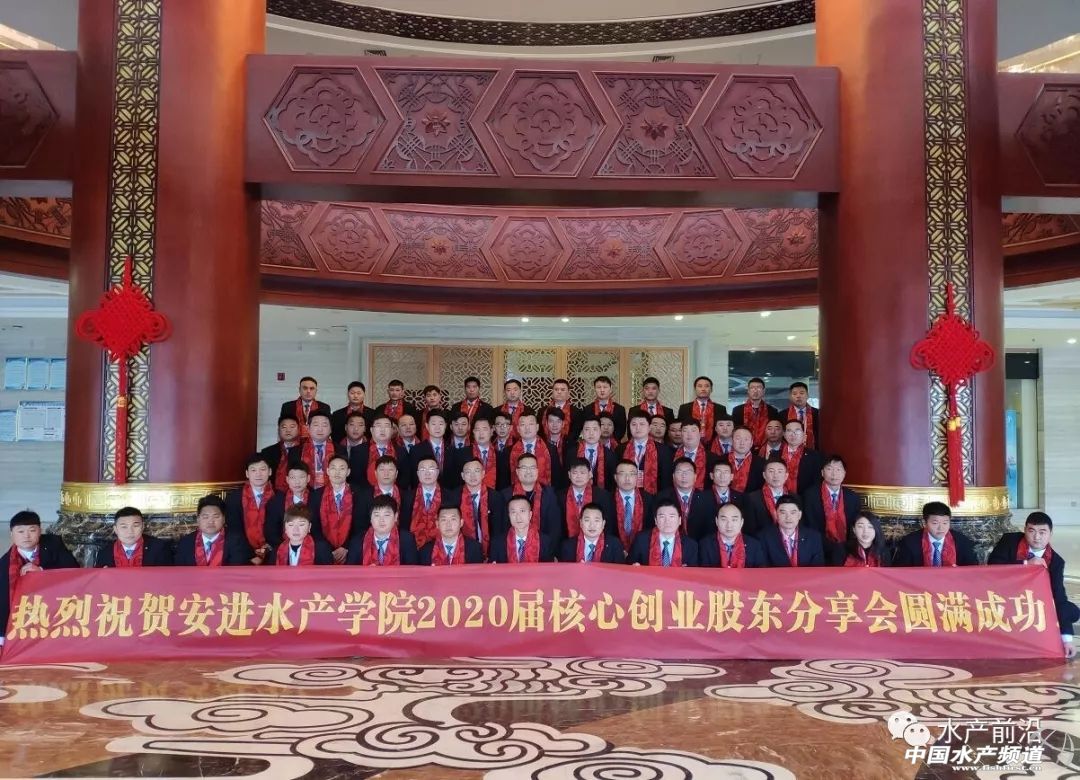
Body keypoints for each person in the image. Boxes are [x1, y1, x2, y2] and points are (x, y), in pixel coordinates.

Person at [988, 512, 1078, 658]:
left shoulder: (1056, 562)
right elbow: (992, 566)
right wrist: (1025, 564)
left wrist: (1067, 640)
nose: (1037, 537)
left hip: (1034, 604)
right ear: (1025, 530)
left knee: (1069, 609)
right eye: (1032, 531)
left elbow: (1059, 597)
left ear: (1050, 534)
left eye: (1042, 532)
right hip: (1004, 598)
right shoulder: (1010, 541)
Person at [1, 510, 79, 643]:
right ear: (12, 534)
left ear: (40, 531)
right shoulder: (5, 564)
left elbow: (73, 570)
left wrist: (42, 571)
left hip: (54, 604)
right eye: (20, 531)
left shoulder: (54, 544)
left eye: (32, 530)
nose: (26, 536)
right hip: (25, 610)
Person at [801, 455, 861, 558]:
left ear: (844, 473)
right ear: (822, 473)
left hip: (846, 549)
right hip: (818, 548)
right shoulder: (810, 495)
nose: (834, 474)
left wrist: (845, 548)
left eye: (838, 469)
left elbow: (855, 527)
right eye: (829, 469)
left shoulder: (853, 497)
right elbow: (809, 525)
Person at [225, 453, 277, 565]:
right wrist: (251, 555)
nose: (258, 474)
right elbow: (234, 531)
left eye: (263, 469)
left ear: (270, 471)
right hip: (242, 553)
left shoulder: (279, 497)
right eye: (253, 470)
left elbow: (282, 529)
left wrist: (266, 550)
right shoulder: (234, 498)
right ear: (247, 474)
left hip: (273, 552)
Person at [314, 455, 367, 564]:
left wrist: (346, 547)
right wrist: (329, 549)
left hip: (351, 547)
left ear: (348, 472)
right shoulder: (316, 495)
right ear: (328, 471)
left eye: (342, 468)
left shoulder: (360, 494)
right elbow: (314, 526)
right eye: (333, 468)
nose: (337, 472)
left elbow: (361, 525)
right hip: (325, 549)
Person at [497, 453, 562, 541]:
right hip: (513, 544)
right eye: (524, 468)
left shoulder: (550, 494)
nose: (528, 471)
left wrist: (547, 547)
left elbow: (555, 527)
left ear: (537, 470)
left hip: (543, 545)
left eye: (532, 468)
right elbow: (502, 526)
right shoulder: (505, 495)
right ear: (517, 471)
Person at [893, 501, 979, 567]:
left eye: (945, 523)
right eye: (935, 523)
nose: (941, 528)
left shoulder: (963, 542)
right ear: (924, 523)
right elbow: (901, 572)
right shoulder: (909, 543)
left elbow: (972, 570)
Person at [174, 495, 253, 566]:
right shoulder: (186, 542)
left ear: (224, 519)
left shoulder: (237, 541)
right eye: (205, 517)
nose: (211, 521)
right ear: (198, 519)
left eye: (216, 516)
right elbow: (180, 572)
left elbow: (238, 571)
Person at [348, 495, 419, 565]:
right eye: (377, 515)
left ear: (395, 517)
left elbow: (413, 570)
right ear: (370, 518)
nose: (381, 520)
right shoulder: (357, 542)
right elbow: (350, 570)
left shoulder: (407, 540)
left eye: (386, 515)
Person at [627, 498, 698, 566]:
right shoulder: (641, 540)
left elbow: (694, 572)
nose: (667, 521)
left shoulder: (691, 545)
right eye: (662, 516)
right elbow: (628, 565)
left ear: (679, 520)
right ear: (656, 521)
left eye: (671, 516)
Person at [456, 456, 504, 558]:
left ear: (483, 474)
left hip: (490, 551)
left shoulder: (495, 497)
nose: (473, 475)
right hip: (462, 552)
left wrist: (493, 554)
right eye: (468, 472)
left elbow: (498, 529)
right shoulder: (454, 497)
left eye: (476, 471)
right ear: (462, 476)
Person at [759, 495, 825, 567]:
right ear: (776, 514)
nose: (788, 517)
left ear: (799, 515)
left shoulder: (814, 537)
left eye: (793, 513)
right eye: (783, 513)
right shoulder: (763, 538)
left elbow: (818, 568)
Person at [657, 457, 715, 540]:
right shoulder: (662, 497)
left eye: (688, 472)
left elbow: (709, 529)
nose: (684, 476)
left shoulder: (706, 499)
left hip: (698, 543)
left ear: (695, 477)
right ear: (673, 476)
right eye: (679, 472)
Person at [95, 506, 173, 567]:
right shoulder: (105, 552)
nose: (130, 531)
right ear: (115, 529)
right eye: (124, 527)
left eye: (135, 526)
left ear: (142, 527)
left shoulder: (159, 548)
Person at [619, 409, 673, 495]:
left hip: (655, 497)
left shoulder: (663, 451)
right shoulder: (620, 449)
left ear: (649, 427)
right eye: (634, 424)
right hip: (627, 495)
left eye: (642, 424)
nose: (638, 428)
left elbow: (666, 480)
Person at [560, 457, 616, 539]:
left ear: (590, 474)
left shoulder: (603, 496)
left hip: (597, 541)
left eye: (582, 473)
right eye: (575, 472)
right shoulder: (559, 497)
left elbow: (609, 524)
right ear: (569, 474)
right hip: (567, 542)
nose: (578, 476)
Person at [489, 494, 557, 563]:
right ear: (509, 516)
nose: (518, 517)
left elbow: (549, 568)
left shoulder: (545, 541)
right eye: (513, 512)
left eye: (522, 511)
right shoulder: (497, 543)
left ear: (530, 515)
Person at [264, 462, 317, 548]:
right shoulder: (276, 502)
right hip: (282, 546)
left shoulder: (316, 499)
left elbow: (319, 530)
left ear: (308, 478)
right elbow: (271, 532)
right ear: (287, 479)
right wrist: (287, 547)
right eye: (293, 478)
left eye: (301, 477)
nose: (297, 482)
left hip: (312, 546)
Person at [699, 502, 766, 568]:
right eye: (724, 519)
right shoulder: (705, 544)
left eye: (734, 520)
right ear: (717, 521)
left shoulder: (754, 545)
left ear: (741, 522)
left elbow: (760, 571)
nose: (729, 525)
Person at [506, 411, 560, 488]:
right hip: (516, 493)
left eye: (531, 424)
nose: (527, 428)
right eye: (523, 425)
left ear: (537, 427)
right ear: (518, 429)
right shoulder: (508, 451)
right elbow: (505, 480)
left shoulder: (551, 449)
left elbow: (556, 477)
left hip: (545, 492)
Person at [559, 503, 625, 563]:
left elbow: (619, 570)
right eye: (587, 520)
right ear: (581, 523)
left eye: (596, 520)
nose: (592, 525)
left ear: (603, 524)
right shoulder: (568, 546)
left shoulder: (614, 545)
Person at [269, 505, 334, 566]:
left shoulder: (321, 549)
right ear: (285, 528)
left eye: (301, 525)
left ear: (309, 527)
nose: (296, 529)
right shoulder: (277, 551)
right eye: (291, 525)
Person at [419, 505, 484, 565]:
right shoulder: (425, 551)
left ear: (461, 523)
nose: (448, 524)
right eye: (444, 520)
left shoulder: (475, 549)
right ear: (437, 524)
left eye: (453, 519)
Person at [612, 459, 653, 552]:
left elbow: (650, 528)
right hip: (614, 550)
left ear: (637, 477)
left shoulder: (649, 499)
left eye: (632, 474)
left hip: (643, 549)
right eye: (622, 474)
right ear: (615, 477)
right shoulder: (606, 499)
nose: (627, 478)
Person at [742, 456, 789, 537]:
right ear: (764, 475)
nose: (775, 475)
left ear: (786, 476)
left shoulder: (795, 498)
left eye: (780, 471)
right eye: (771, 471)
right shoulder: (752, 498)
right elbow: (749, 530)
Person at [450, 415, 499, 492]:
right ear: (473, 432)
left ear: (492, 431)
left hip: (494, 496)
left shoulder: (500, 455)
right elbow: (455, 481)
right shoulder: (461, 454)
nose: (481, 433)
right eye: (477, 429)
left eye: (484, 429)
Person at [677, 376, 727, 446]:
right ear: (695, 389)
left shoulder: (720, 409)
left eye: (706, 386)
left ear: (711, 389)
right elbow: (681, 428)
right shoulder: (684, 408)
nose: (703, 389)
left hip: (714, 446)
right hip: (690, 445)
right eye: (700, 386)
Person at [409, 456, 446, 549]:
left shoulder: (449, 496)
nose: (427, 473)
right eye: (422, 470)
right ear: (417, 474)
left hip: (442, 546)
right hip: (414, 547)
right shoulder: (407, 497)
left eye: (431, 469)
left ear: (438, 472)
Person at [732, 377, 780, 449]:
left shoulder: (772, 411)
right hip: (744, 448)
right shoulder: (738, 410)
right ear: (748, 391)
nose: (755, 390)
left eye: (758, 388)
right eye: (752, 388)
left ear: (763, 391)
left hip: (766, 448)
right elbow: (735, 432)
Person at [261, 414, 303, 493]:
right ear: (278, 430)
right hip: (273, 494)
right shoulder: (267, 452)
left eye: (292, 427)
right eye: (284, 427)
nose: (288, 430)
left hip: (299, 493)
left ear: (299, 429)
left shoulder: (306, 451)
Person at [366, 413, 410, 488]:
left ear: (392, 430)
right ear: (371, 430)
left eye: (386, 426)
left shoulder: (401, 451)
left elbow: (405, 479)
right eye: (379, 426)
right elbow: (357, 479)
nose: (382, 430)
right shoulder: (359, 451)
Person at [409, 410, 451, 487]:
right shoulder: (416, 450)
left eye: (441, 424)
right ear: (427, 426)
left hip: (448, 492)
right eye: (433, 424)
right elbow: (414, 478)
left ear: (445, 425)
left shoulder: (453, 450)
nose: (437, 427)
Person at [779, 419, 822, 495]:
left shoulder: (815, 456)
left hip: (805, 497)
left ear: (803, 434)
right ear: (784, 435)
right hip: (779, 497)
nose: (793, 434)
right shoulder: (775, 455)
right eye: (789, 431)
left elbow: (816, 483)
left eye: (797, 431)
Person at [300, 410, 341, 490]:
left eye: (324, 425)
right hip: (305, 492)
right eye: (316, 425)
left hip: (332, 491)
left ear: (330, 429)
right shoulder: (297, 451)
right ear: (308, 428)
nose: (320, 429)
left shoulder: (340, 450)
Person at [574, 416, 615, 491]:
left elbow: (612, 483)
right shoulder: (572, 453)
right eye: (587, 429)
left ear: (600, 431)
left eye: (595, 429)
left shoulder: (610, 455)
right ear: (582, 432)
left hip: (602, 494)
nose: (591, 433)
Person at [672, 418, 708, 490]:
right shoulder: (671, 455)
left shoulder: (711, 457)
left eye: (693, 430)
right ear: (681, 434)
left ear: (700, 433)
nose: (689, 434)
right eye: (685, 431)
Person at [727, 427, 765, 495]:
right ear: (732, 441)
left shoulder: (762, 463)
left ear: (751, 442)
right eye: (738, 438)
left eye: (746, 439)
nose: (742, 443)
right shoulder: (721, 460)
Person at [541, 378, 580, 445]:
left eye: (562, 390)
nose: (559, 392)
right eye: (556, 389)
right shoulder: (542, 411)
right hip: (545, 447)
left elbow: (576, 433)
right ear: (552, 393)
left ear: (568, 393)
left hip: (569, 447)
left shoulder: (576, 412)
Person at [784, 381, 820, 450]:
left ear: (807, 395)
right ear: (790, 397)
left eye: (802, 393)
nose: (798, 396)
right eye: (794, 394)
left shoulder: (817, 413)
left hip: (813, 451)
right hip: (789, 452)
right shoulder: (783, 415)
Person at [588, 376, 627, 441]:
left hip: (614, 444)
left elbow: (621, 430)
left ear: (610, 389)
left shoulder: (620, 409)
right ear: (595, 389)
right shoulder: (588, 409)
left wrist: (609, 442)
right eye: (599, 387)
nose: (602, 390)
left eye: (605, 387)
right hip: (593, 443)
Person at [341, 411, 370, 487]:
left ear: (365, 429)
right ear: (346, 427)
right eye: (352, 425)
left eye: (360, 425)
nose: (356, 428)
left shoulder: (372, 449)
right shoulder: (336, 448)